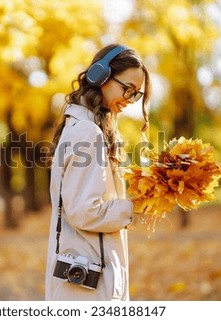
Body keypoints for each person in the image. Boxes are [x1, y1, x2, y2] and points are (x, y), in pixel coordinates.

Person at [45, 44, 152, 300]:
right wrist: (134, 206)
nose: (129, 99)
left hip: (88, 273)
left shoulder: (89, 128)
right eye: (127, 89)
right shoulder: (87, 132)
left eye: (136, 94)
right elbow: (84, 211)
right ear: (99, 76)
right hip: (87, 286)